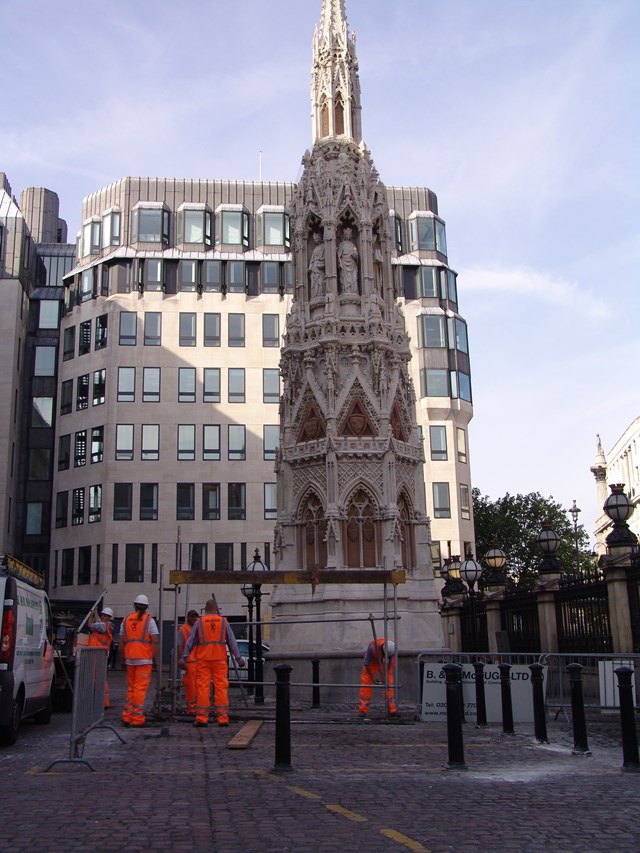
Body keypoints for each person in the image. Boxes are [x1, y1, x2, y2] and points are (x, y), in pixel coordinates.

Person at [179, 598, 245, 728]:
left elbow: (190, 642)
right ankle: (223, 718)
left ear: (205, 609)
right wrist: (239, 658)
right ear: (217, 609)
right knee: (221, 687)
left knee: (203, 688)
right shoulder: (223, 622)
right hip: (220, 660)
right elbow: (232, 641)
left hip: (203, 660)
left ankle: (202, 718)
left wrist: (184, 657)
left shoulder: (200, 622)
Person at [119, 594, 160, 727]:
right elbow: (155, 641)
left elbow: (121, 642)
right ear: (146, 607)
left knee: (131, 688)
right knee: (139, 689)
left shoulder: (125, 620)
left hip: (130, 659)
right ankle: (137, 718)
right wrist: (156, 660)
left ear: (134, 605)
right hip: (144, 660)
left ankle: (127, 716)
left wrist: (122, 659)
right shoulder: (150, 621)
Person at [358, 638, 398, 718]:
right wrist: (373, 678)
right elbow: (366, 664)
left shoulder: (391, 650)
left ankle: (392, 710)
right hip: (372, 662)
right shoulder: (372, 648)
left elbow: (389, 665)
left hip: (384, 663)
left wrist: (384, 677)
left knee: (388, 684)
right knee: (366, 684)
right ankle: (363, 710)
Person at [88, 605, 114, 708]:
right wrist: (95, 611)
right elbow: (98, 620)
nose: (103, 617)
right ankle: (102, 701)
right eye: (102, 615)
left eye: (105, 616)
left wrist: (91, 614)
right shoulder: (107, 625)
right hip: (99, 655)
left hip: (98, 655)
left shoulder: (103, 626)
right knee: (100, 678)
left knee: (97, 678)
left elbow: (90, 624)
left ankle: (101, 702)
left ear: (108, 617)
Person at [177, 610, 199, 716]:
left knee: (199, 687)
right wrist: (182, 660)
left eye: (196, 617)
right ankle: (191, 708)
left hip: (198, 662)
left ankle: (198, 707)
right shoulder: (183, 630)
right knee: (191, 687)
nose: (194, 619)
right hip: (189, 662)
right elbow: (179, 646)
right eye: (192, 617)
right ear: (188, 617)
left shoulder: (198, 628)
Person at [337, 226, 359, 293]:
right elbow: (339, 256)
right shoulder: (342, 244)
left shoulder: (352, 245)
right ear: (344, 235)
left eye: (349, 234)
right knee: (344, 279)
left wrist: (355, 255)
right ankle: (345, 291)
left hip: (352, 264)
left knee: (353, 278)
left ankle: (353, 291)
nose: (348, 236)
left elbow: (356, 255)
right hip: (344, 264)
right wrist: (339, 263)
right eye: (346, 234)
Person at [308, 231, 325, 298]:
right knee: (314, 283)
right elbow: (312, 259)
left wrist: (320, 262)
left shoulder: (323, 247)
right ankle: (316, 295)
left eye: (316, 239)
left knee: (320, 281)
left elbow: (326, 257)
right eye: (314, 239)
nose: (315, 241)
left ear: (319, 238)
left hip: (320, 267)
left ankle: (321, 294)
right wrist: (310, 267)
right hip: (314, 269)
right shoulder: (315, 249)